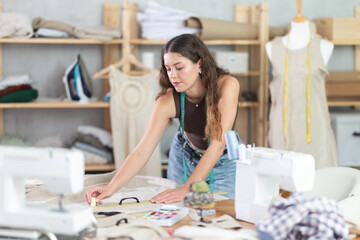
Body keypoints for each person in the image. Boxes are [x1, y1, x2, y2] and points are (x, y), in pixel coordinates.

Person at [85, 33, 240, 205]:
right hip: (184, 156)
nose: (172, 75)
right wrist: (111, 187)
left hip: (222, 159)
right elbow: (142, 151)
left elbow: (218, 144)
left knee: (222, 212)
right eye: (168, 68)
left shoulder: (227, 85)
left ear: (200, 64)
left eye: (179, 67)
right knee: (180, 213)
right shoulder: (166, 101)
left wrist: (186, 189)